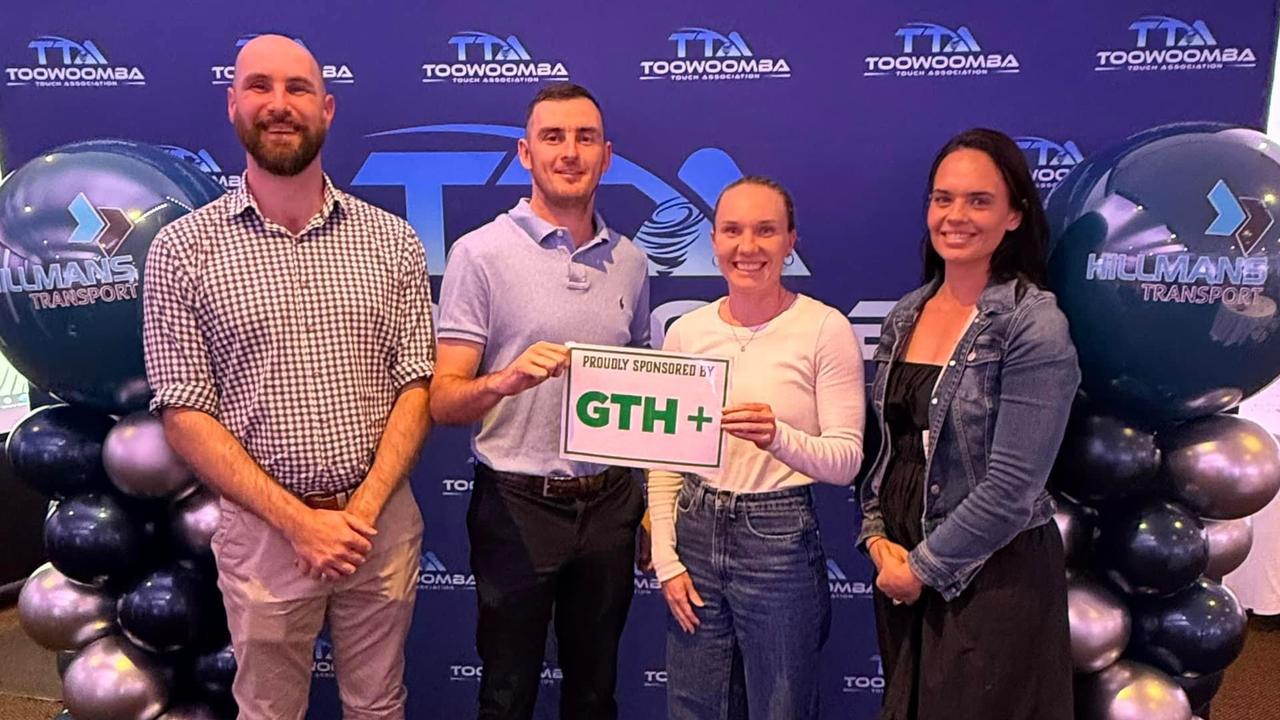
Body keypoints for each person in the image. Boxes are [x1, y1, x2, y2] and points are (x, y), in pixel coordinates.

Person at [142, 34, 434, 720]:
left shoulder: (391, 240)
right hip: (264, 537)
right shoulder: (182, 250)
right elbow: (184, 411)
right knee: (268, 711)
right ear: (233, 103)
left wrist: (358, 512)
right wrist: (299, 522)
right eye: (261, 87)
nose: (281, 105)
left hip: (380, 527)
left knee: (379, 705)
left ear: (327, 109)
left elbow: (415, 385)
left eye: (299, 89)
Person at [428, 83, 650, 720]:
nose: (570, 152)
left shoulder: (631, 262)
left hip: (610, 503)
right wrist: (504, 381)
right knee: (506, 693)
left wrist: (643, 501)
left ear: (607, 156)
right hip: (516, 504)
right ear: (526, 154)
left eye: (585, 138)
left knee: (594, 692)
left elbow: (638, 396)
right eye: (553, 137)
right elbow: (443, 400)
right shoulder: (480, 253)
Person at [857, 128, 1079, 719]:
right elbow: (886, 448)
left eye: (979, 201)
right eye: (942, 198)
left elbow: (1012, 489)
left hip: (990, 581)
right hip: (902, 570)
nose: (955, 215)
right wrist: (878, 538)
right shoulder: (907, 312)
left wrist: (924, 568)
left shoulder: (1033, 326)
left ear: (1014, 216)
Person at [648, 176, 865, 720]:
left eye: (766, 231)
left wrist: (777, 438)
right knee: (695, 708)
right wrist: (665, 557)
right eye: (732, 231)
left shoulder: (824, 328)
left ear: (791, 240)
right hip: (695, 531)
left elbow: (846, 461)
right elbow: (665, 456)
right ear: (714, 240)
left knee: (781, 708)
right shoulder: (686, 332)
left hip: (779, 542)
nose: (748, 248)